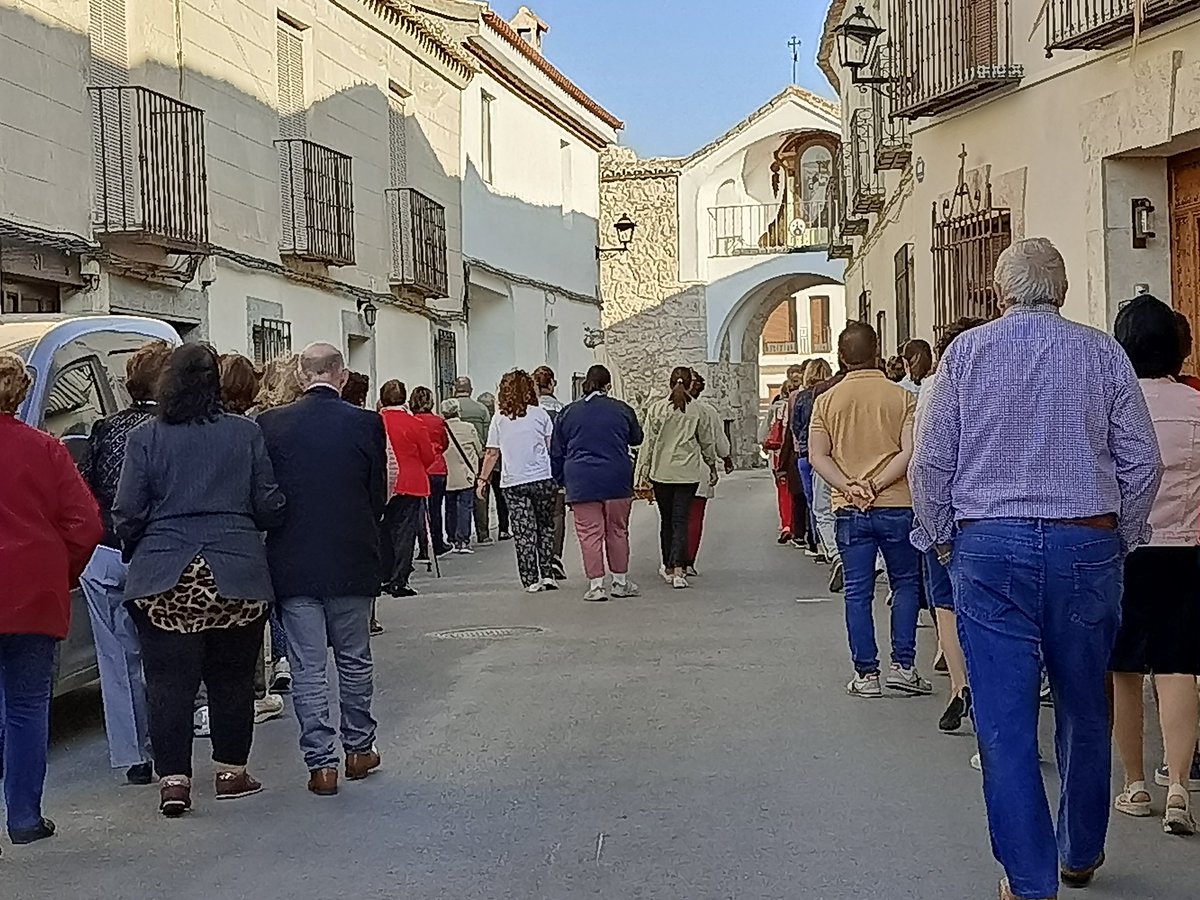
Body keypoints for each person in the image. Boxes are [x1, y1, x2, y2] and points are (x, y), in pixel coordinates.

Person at [909, 239, 1162, 900]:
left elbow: (931, 463)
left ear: (999, 294)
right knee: (1084, 703)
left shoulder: (966, 354)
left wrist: (940, 540)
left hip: (991, 548)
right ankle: (1081, 849)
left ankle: (1029, 879)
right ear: (1066, 292)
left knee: (1005, 720)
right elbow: (1143, 461)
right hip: (1085, 545)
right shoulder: (1103, 353)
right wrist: (1123, 536)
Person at [113, 343, 286, 818]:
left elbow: (127, 511)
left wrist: (141, 550)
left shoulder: (146, 438)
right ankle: (231, 772)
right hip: (236, 573)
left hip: (164, 576)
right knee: (232, 679)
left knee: (168, 683)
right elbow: (268, 503)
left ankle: (173, 781)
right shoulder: (245, 433)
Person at [257, 344, 388, 798]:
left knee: (307, 665)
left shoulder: (271, 425)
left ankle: (321, 763)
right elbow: (376, 496)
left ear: (301, 373)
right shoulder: (366, 423)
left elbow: (266, 495)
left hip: (293, 560)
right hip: (351, 555)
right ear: (342, 375)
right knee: (353, 658)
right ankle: (359, 748)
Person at [0, 351, 104, 845]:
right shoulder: (46, 449)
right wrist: (57, 571)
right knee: (26, 706)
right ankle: (23, 817)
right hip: (32, 593)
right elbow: (86, 525)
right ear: (19, 395)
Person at [1108, 295, 1200, 836]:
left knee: (1122, 666)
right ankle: (1180, 785)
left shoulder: (1112, 404)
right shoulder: (1195, 406)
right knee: (1178, 663)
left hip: (1123, 549)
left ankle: (1135, 783)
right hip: (1186, 548)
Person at [809, 322, 929, 699]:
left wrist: (849, 486)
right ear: (878, 352)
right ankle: (903, 666)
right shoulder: (902, 399)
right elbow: (909, 452)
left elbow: (818, 455)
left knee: (858, 592)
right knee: (905, 583)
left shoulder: (826, 401)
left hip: (850, 507)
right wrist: (877, 484)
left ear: (841, 358)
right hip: (897, 504)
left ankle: (866, 674)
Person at [80, 340, 171, 786]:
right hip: (158, 556)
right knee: (164, 657)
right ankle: (169, 748)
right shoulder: (171, 430)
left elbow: (85, 489)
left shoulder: (104, 428)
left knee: (116, 661)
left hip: (104, 554)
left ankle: (134, 756)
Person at [910, 319, 987, 735]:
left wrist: (932, 525)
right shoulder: (999, 381)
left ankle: (961, 685)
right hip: (985, 512)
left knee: (947, 605)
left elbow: (925, 459)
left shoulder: (932, 389)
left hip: (945, 511)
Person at [550, 364, 644, 601]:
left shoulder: (568, 412)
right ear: (608, 385)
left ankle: (596, 585)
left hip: (581, 480)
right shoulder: (621, 409)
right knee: (617, 530)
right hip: (616, 478)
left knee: (590, 533)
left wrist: (562, 479)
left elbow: (556, 451)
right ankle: (620, 582)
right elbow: (637, 438)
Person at [634, 367, 718, 590]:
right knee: (681, 520)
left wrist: (641, 474)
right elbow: (706, 442)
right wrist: (711, 465)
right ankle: (680, 569)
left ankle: (668, 566)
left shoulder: (657, 409)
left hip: (662, 472)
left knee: (667, 521)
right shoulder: (696, 410)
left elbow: (648, 445)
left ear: (670, 383)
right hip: (687, 473)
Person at [477, 370, 558, 592]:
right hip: (542, 476)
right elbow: (551, 447)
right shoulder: (540, 414)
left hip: (514, 481)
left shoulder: (499, 419)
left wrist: (483, 480)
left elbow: (492, 452)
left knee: (523, 531)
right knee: (545, 526)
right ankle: (548, 573)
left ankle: (531, 578)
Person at [377, 380, 434, 598]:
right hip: (411, 482)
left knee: (384, 531)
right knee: (404, 532)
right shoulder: (414, 423)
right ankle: (399, 580)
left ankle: (384, 575)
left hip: (383, 484)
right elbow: (428, 455)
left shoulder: (376, 421)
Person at [685, 369, 733, 575]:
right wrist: (726, 460)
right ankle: (688, 561)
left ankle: (672, 560)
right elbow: (719, 442)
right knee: (695, 517)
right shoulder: (707, 412)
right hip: (699, 471)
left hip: (669, 473)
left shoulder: (663, 408)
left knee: (673, 519)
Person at [792, 359, 833, 565]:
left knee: (814, 501)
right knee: (831, 499)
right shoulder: (831, 393)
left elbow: (796, 425)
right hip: (829, 452)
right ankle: (833, 544)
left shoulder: (802, 397)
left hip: (806, 453)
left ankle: (819, 543)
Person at [533, 366, 568, 580]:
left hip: (532, 469)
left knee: (534, 515)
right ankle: (554, 557)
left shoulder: (529, 410)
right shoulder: (562, 409)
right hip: (555, 469)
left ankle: (537, 557)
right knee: (556, 514)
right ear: (553, 383)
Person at [410, 386, 451, 558]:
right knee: (435, 509)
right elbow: (445, 443)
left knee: (419, 510)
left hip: (420, 468)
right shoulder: (438, 422)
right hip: (438, 468)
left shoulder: (413, 421)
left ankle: (424, 547)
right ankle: (438, 541)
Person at [454, 377, 494, 544]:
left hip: (454, 457)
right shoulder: (481, 409)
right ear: (471, 390)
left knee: (456, 498)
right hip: (477, 458)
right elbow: (487, 435)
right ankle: (483, 533)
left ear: (455, 389)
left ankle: (458, 535)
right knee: (481, 495)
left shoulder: (448, 407)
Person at [441, 398, 483, 553]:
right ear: (458, 411)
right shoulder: (468, 428)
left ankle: (451, 538)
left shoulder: (442, 429)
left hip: (448, 475)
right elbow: (479, 450)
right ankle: (463, 540)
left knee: (450, 507)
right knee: (465, 507)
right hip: (466, 474)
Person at [479, 391, 511, 540]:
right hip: (499, 465)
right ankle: (503, 528)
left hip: (482, 463)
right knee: (500, 498)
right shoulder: (500, 419)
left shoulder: (481, 421)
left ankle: (483, 532)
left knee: (482, 498)